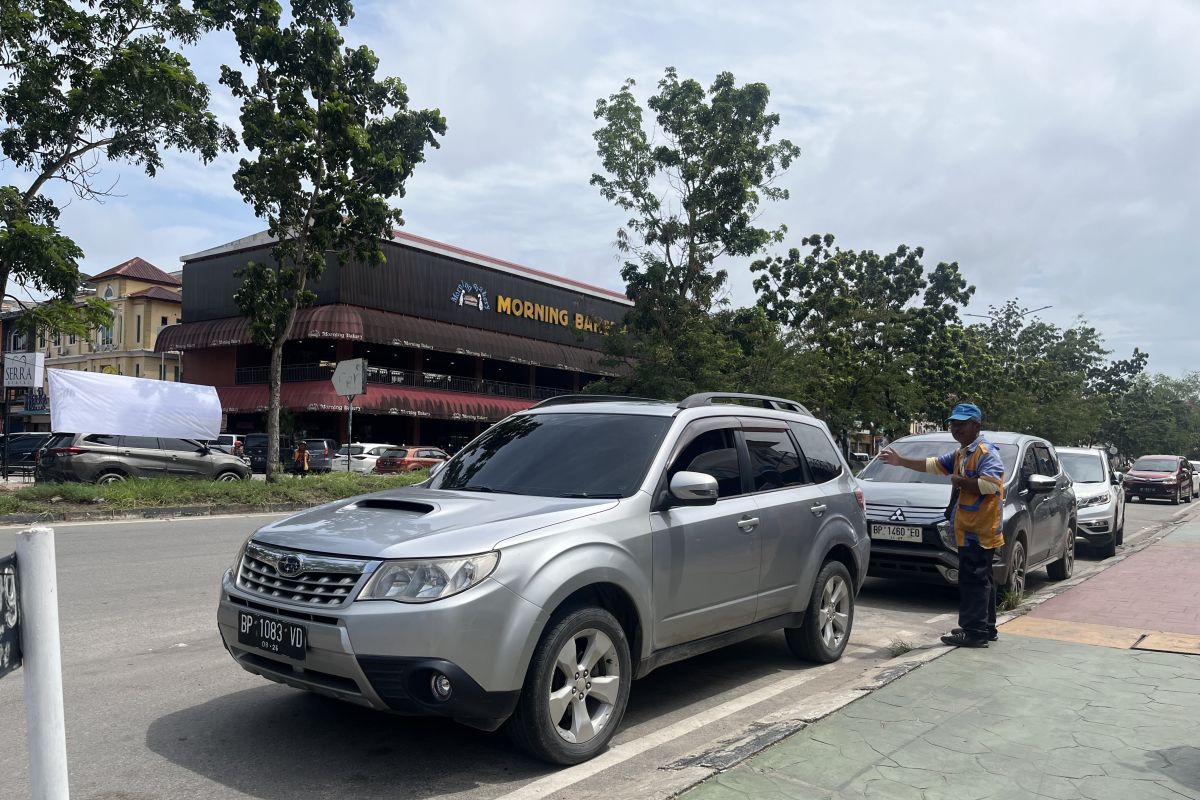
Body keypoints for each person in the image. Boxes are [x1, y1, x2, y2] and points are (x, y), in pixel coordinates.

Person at [879, 402, 1004, 648]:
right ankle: (984, 626)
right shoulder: (962, 453)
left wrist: (961, 481)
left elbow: (992, 484)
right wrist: (901, 461)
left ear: (976, 425)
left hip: (979, 530)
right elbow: (934, 465)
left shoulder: (984, 452)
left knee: (972, 580)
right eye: (953, 424)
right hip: (971, 528)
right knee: (981, 578)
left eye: (962, 424)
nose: (956, 429)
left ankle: (974, 631)